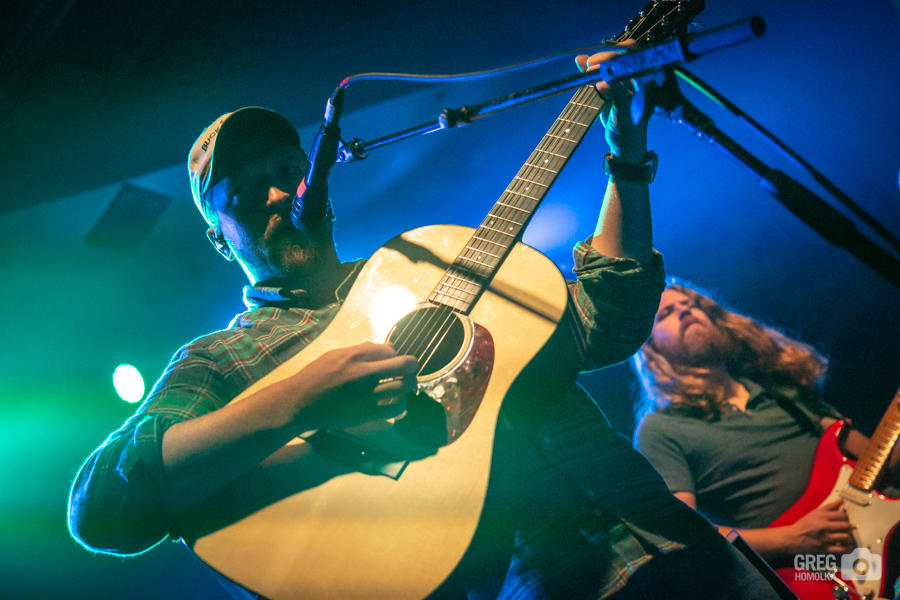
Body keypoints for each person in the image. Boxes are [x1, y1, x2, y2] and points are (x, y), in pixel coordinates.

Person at [68, 48, 782, 600]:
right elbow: (102, 505)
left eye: (289, 169)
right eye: (248, 192)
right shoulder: (221, 359)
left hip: (687, 546)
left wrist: (625, 154)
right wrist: (298, 399)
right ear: (219, 238)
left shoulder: (424, 267)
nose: (281, 194)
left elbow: (610, 318)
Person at [633, 280, 900, 567]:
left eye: (693, 305)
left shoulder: (778, 388)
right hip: (814, 573)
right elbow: (685, 535)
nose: (687, 312)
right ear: (650, 349)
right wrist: (793, 538)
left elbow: (881, 459)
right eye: (667, 313)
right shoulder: (660, 430)